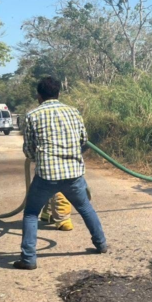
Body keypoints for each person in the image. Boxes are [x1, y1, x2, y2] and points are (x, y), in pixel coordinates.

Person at [16, 76, 107, 270]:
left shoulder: (32, 116)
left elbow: (29, 149)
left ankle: (29, 259)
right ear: (58, 93)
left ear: (39, 96)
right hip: (74, 173)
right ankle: (101, 244)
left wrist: (36, 157)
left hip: (47, 176)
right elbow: (84, 141)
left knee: (31, 213)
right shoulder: (73, 112)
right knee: (85, 207)